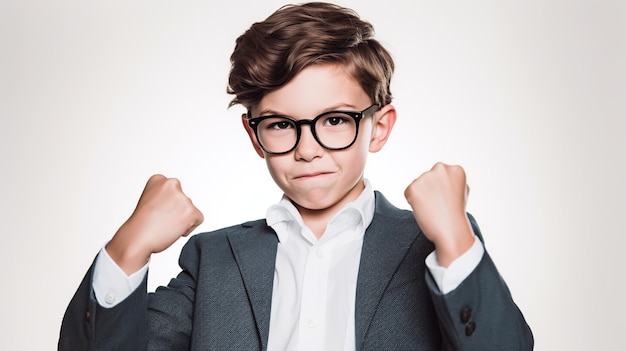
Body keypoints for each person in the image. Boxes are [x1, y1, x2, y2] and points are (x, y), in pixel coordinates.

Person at [58, 2, 533, 350]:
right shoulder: (215, 259)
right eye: (282, 125)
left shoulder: (437, 249)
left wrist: (455, 238)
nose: (307, 150)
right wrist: (128, 246)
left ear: (379, 126)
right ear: (254, 134)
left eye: (334, 121)